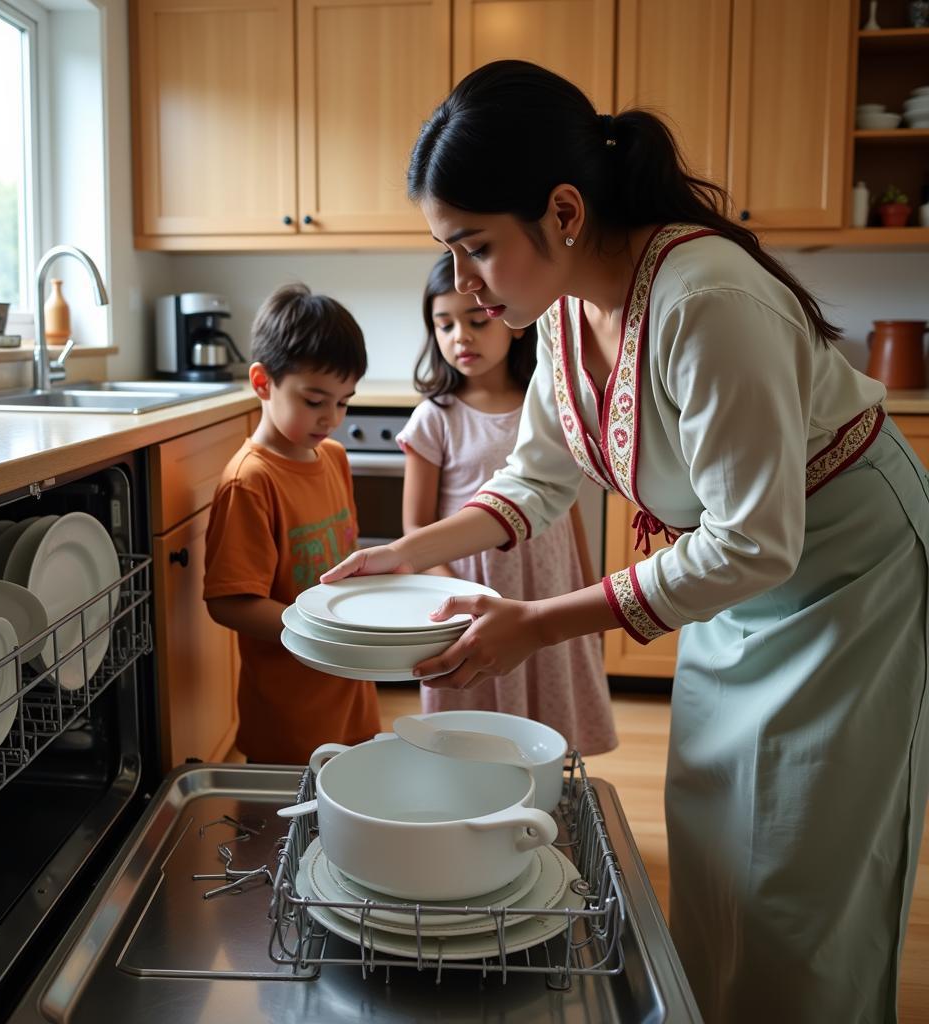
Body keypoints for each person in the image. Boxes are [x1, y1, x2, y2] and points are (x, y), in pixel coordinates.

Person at [322, 60, 929, 1024]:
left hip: (846, 571)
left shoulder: (705, 300)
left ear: (563, 211)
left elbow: (753, 541)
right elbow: (535, 478)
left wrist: (541, 622)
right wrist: (413, 549)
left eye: (475, 247)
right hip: (739, 571)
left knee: (803, 866)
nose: (468, 287)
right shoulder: (563, 317)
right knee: (718, 825)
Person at [396, 252, 617, 756]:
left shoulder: (548, 402)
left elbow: (567, 506)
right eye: (444, 324)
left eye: (475, 321)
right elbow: (415, 524)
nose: (460, 337)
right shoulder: (436, 417)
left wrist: (586, 586)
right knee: (478, 726)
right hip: (475, 592)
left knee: (550, 711)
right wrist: (461, 596)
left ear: (513, 323)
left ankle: (545, 800)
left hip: (548, 584)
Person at [203, 283, 381, 765]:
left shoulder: (334, 459)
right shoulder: (250, 482)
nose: (331, 419)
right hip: (288, 713)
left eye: (343, 402)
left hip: (350, 693)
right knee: (287, 833)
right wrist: (319, 628)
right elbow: (228, 603)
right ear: (263, 383)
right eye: (315, 400)